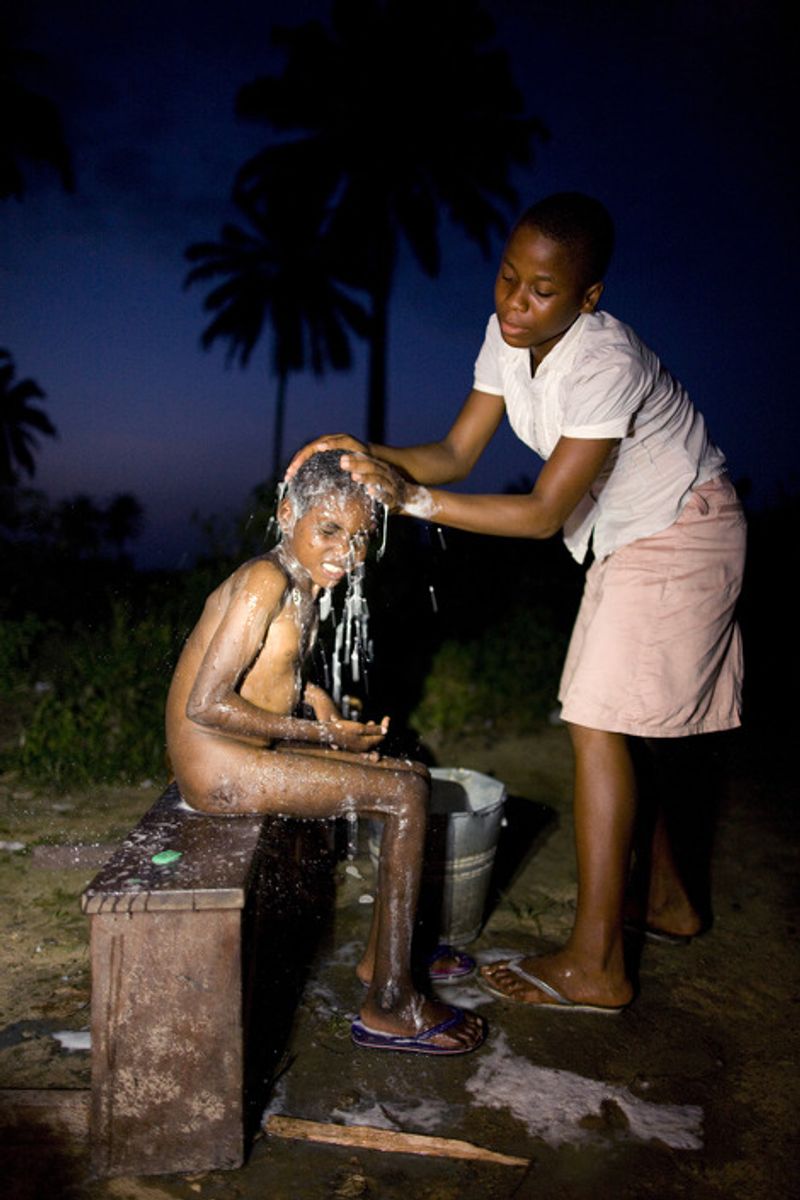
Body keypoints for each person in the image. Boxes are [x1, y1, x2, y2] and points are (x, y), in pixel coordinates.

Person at [287, 193, 746, 1014]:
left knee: (596, 720)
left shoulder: (608, 363)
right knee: (625, 727)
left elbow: (537, 514)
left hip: (683, 528)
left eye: (541, 290)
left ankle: (597, 964)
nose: (514, 301)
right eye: (507, 277)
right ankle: (669, 903)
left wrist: (413, 502)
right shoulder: (508, 337)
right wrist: (368, 452)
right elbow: (457, 452)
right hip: (626, 537)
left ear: (588, 297)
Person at [166, 450, 485, 1053]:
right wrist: (323, 738)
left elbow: (277, 668)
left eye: (361, 538)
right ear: (288, 515)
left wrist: (322, 707)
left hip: (243, 752)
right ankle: (389, 1002)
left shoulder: (297, 578)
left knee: (406, 775)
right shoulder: (265, 581)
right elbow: (205, 704)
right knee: (403, 794)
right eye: (330, 531)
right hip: (215, 769)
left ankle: (383, 958)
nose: (348, 552)